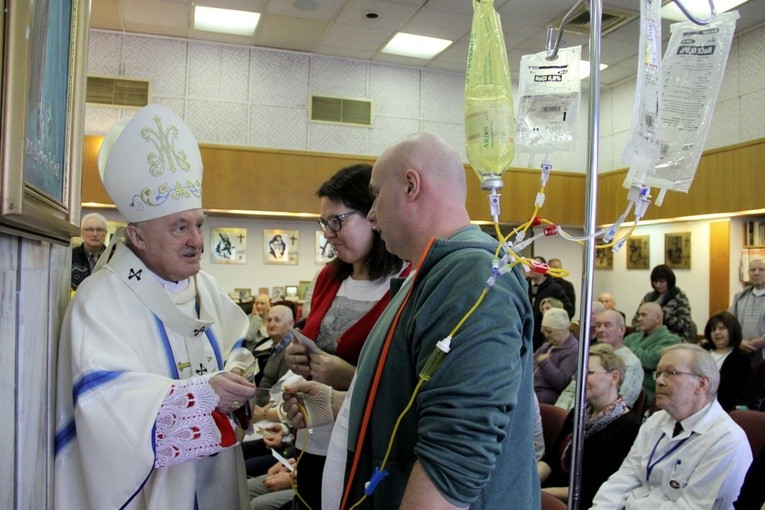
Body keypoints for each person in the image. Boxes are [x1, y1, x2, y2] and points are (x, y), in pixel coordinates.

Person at [284, 132, 539, 509]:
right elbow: (415, 399)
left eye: (376, 195)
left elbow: (455, 452)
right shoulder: (431, 272)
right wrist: (342, 404)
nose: (371, 214)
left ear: (410, 185)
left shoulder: (470, 275)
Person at [53, 104, 257, 509]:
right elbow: (106, 406)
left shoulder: (208, 288)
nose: (196, 240)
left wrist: (235, 376)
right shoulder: (99, 301)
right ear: (138, 237)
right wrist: (200, 396)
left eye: (198, 224)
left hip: (219, 480)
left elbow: (240, 347)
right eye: (179, 227)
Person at [283, 163, 407, 509]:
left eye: (337, 221)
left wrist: (348, 376)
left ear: (373, 216)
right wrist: (299, 359)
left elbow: (402, 384)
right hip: (313, 435)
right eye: (324, 223)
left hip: (360, 445)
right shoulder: (329, 277)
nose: (328, 233)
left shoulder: (402, 284)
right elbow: (315, 342)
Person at [591, 344, 752, 509]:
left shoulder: (726, 440)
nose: (659, 381)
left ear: (702, 384)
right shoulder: (656, 421)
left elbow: (692, 507)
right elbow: (624, 478)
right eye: (659, 373)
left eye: (671, 373)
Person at [540, 344, 641, 508]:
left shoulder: (629, 427)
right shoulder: (579, 413)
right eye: (579, 373)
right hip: (552, 492)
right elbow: (552, 459)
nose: (580, 379)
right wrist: (531, 479)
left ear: (614, 377)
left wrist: (542, 493)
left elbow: (598, 488)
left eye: (589, 373)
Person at [624, 302, 682, 407]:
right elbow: (619, 358)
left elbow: (650, 361)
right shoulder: (632, 337)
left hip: (650, 396)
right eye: (639, 315)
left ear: (658, 318)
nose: (639, 319)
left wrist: (627, 350)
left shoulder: (672, 340)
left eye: (644, 315)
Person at [700, 311, 751, 411]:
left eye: (721, 328)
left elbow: (738, 393)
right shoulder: (702, 352)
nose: (716, 332)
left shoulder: (741, 359)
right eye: (713, 330)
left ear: (732, 330)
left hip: (722, 409)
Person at [631, 264, 695, 342]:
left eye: (662, 281)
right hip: (647, 339)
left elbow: (685, 325)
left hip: (671, 339)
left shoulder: (679, 297)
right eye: (655, 282)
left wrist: (661, 316)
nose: (658, 285)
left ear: (669, 281)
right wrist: (646, 328)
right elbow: (635, 321)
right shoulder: (648, 297)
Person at [534, 307, 579, 404]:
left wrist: (545, 363)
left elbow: (562, 383)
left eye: (549, 332)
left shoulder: (572, 350)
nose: (546, 336)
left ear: (563, 329)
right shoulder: (546, 347)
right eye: (544, 332)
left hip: (547, 399)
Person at [528, 257, 574, 350]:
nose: (531, 268)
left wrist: (551, 312)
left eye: (536, 266)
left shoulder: (555, 288)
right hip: (525, 333)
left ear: (544, 269)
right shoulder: (523, 285)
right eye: (529, 266)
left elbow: (569, 310)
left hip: (545, 336)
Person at [730, 258, 765, 365]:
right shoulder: (740, 296)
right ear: (748, 273)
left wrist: (763, 339)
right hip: (742, 351)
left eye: (761, 269)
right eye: (753, 270)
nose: (756, 273)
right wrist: (738, 341)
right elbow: (729, 322)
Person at [71, 212, 108, 291]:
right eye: (90, 229)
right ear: (82, 232)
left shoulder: (114, 257)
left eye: (99, 230)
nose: (95, 234)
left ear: (106, 233)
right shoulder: (70, 257)